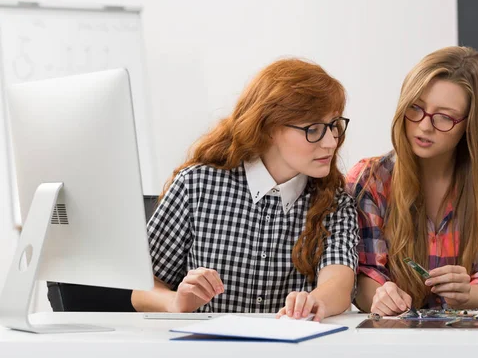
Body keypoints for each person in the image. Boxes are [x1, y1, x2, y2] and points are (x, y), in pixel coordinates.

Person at [131, 58, 358, 322]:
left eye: (334, 126)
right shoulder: (196, 185)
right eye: (314, 130)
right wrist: (176, 302)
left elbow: (339, 282)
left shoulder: (335, 202)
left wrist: (316, 301)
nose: (331, 141)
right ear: (270, 128)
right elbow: (142, 288)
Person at [346, 46, 478, 315]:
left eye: (444, 117)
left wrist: (467, 295)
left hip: (471, 340)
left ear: (470, 124)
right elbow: (365, 275)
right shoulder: (370, 180)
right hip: (396, 338)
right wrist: (381, 297)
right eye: (415, 108)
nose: (424, 126)